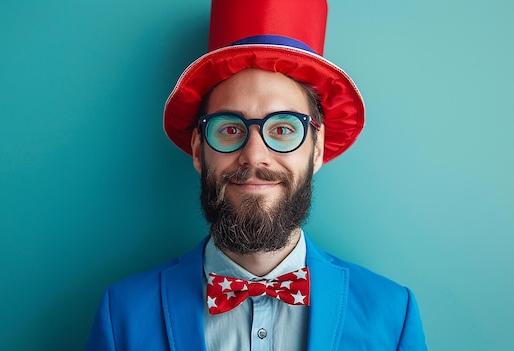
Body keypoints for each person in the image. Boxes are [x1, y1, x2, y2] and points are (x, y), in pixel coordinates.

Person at [85, 0, 427, 350]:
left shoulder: (392, 316)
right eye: (230, 129)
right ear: (200, 149)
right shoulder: (121, 314)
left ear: (318, 147)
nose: (254, 155)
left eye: (282, 128)